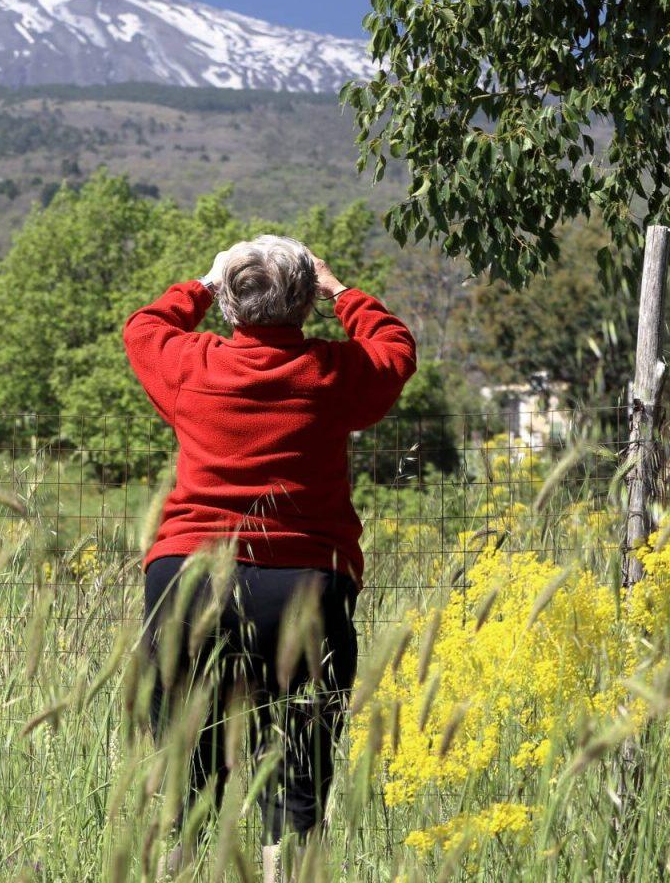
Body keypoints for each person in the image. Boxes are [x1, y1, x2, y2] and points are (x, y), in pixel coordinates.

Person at [123, 235, 416, 881]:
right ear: (305, 303)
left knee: (183, 787)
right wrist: (340, 290)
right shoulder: (333, 373)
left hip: (187, 582)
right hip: (304, 588)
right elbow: (396, 349)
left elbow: (144, 326)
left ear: (229, 306)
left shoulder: (189, 363)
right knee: (296, 786)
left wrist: (203, 281)